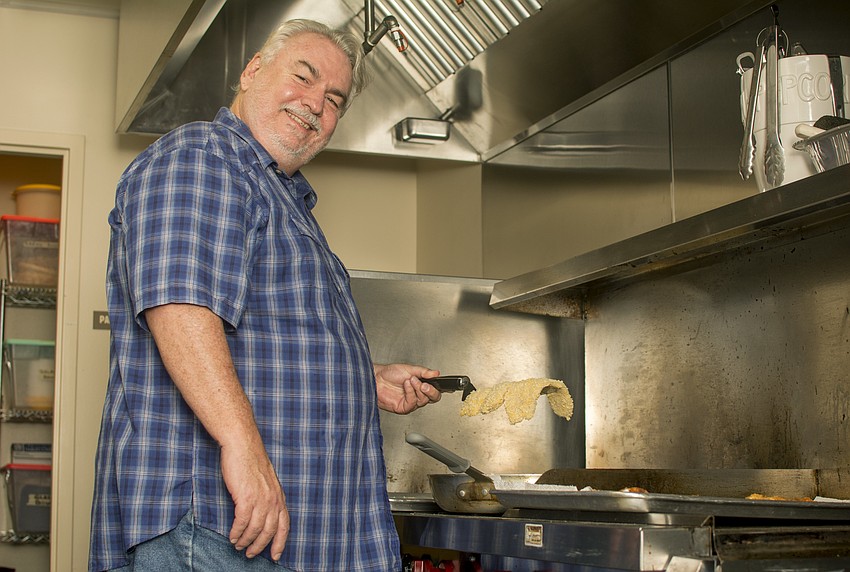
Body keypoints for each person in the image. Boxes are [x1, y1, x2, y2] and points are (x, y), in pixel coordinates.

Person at [89, 19, 442, 572]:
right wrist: (243, 448)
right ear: (252, 70)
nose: (315, 104)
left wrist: (361, 377)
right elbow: (180, 307)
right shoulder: (204, 156)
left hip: (274, 534)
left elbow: (264, 337)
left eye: (334, 100)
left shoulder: (274, 194)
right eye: (303, 77)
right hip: (216, 525)